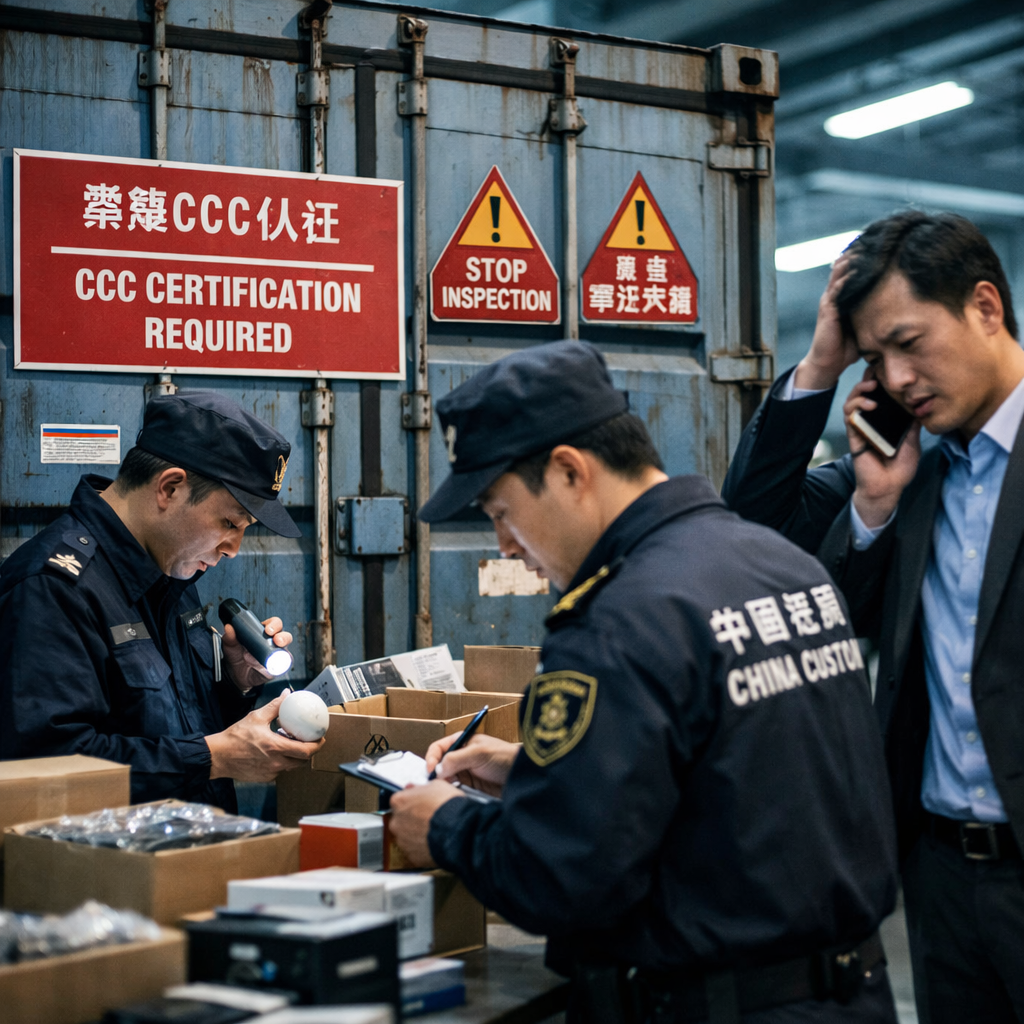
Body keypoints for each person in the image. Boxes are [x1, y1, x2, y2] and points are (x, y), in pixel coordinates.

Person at [388, 340, 899, 1024]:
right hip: (850, 994)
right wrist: (548, 775)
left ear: (570, 472)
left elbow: (560, 878)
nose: (505, 544)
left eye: (500, 511)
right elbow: (753, 777)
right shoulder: (778, 563)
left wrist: (444, 824)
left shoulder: (618, 618)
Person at [722, 211, 1024, 1024]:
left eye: (909, 342)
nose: (894, 379)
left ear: (986, 308)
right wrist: (827, 368)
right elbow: (747, 533)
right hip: (940, 878)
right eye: (874, 358)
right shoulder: (902, 470)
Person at [0, 390, 324, 810]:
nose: (234, 549)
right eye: (229, 522)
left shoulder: (172, 569)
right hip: (110, 870)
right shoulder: (53, 588)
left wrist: (233, 683)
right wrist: (212, 759)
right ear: (169, 487)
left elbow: (166, 724)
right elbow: (48, 764)